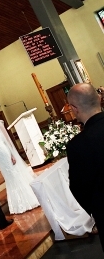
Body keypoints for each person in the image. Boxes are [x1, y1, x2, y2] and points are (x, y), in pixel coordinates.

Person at [66, 83, 104, 250]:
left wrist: (97, 209)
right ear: (99, 99)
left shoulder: (77, 145)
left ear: (74, 108)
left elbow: (78, 188)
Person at [0, 111, 39, 214]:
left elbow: (7, 141)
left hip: (6, 153)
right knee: (8, 177)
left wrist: (12, 154)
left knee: (15, 174)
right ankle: (17, 202)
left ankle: (28, 199)